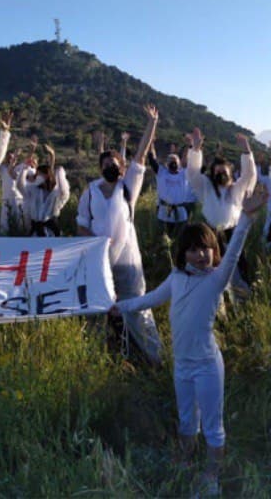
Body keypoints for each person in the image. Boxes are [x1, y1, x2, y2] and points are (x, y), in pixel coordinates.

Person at [112, 185, 267, 496]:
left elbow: (234, 250)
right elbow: (149, 299)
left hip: (208, 365)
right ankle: (184, 462)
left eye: (206, 248)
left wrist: (247, 219)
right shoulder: (177, 278)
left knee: (213, 426)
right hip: (182, 365)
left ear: (213, 251)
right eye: (193, 249)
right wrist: (121, 306)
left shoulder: (215, 280)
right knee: (186, 422)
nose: (200, 254)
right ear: (183, 253)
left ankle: (211, 476)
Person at [77, 104, 163, 366]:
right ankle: (97, 358)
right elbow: (81, 224)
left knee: (136, 306)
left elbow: (140, 155)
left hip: (127, 261)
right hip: (98, 261)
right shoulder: (90, 191)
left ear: (121, 168)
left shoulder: (128, 188)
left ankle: (154, 357)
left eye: (113, 164)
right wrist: (93, 245)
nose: (109, 167)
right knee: (96, 309)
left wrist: (152, 124)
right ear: (99, 168)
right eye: (105, 164)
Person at [185, 129, 257, 302]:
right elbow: (193, 174)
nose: (221, 175)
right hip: (211, 233)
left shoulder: (236, 189)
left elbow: (249, 175)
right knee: (214, 268)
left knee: (238, 265)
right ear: (212, 174)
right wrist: (195, 150)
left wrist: (247, 152)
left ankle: (242, 299)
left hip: (233, 232)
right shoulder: (206, 187)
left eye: (224, 172)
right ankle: (220, 301)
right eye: (217, 172)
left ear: (230, 174)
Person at [17, 144, 70, 237]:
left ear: (46, 176)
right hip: (35, 231)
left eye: (39, 174)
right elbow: (20, 186)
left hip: (51, 231)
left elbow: (64, 193)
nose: (36, 177)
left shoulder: (55, 192)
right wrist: (24, 169)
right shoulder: (33, 190)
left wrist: (60, 174)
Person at [147, 146, 196, 239]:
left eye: (175, 160)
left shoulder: (184, 174)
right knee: (162, 240)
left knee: (181, 239)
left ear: (179, 163)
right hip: (164, 213)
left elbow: (191, 161)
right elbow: (152, 160)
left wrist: (191, 147)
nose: (173, 163)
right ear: (166, 163)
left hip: (180, 214)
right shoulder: (161, 172)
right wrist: (151, 144)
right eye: (170, 160)